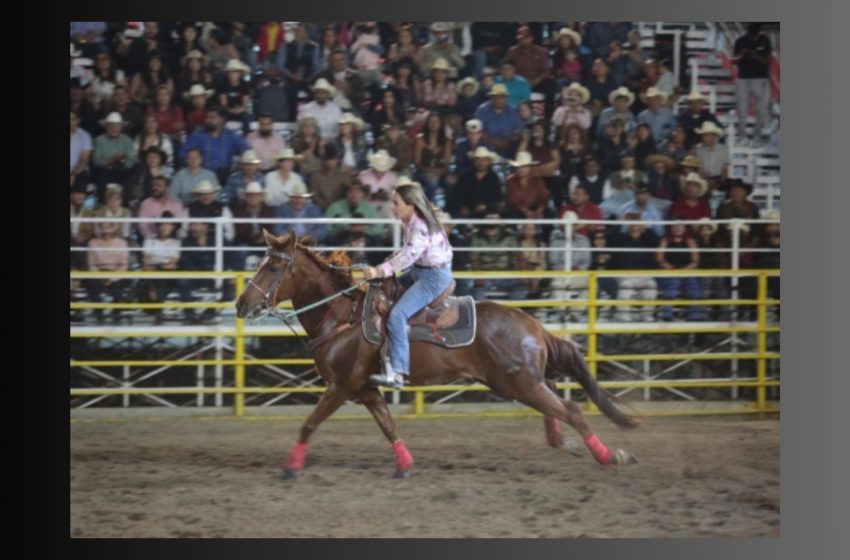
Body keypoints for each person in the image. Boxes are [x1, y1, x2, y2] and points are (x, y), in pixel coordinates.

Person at [362, 180, 454, 389]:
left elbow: (408, 256)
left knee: (397, 314)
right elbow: (408, 254)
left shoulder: (419, 226)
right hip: (421, 271)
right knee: (382, 289)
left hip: (433, 277)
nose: (393, 207)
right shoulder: (412, 221)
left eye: (396, 203)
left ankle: (399, 372)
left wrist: (379, 270)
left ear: (411, 204)